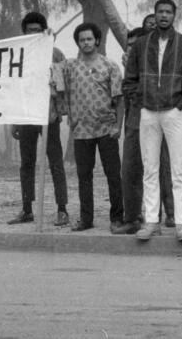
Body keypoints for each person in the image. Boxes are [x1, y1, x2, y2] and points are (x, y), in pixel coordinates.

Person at [92, 0, 175, 232]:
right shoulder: (134, 50)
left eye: (158, 21)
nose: (153, 26)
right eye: (148, 24)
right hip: (135, 119)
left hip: (162, 116)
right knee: (132, 169)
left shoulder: (170, 49)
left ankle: (168, 214)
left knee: (162, 168)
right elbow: (117, 26)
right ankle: (134, 218)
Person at [123, 0, 182, 242]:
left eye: (168, 12)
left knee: (178, 169)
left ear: (174, 16)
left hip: (173, 112)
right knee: (150, 169)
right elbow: (129, 81)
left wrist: (180, 105)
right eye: (160, 12)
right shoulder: (141, 45)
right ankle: (151, 222)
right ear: (154, 15)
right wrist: (142, 99)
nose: (164, 16)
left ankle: (181, 223)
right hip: (147, 111)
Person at [58, 22, 125, 232]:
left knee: (113, 175)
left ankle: (117, 218)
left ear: (97, 40)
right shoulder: (70, 67)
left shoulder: (110, 66)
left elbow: (119, 99)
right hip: (81, 131)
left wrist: (118, 126)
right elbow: (50, 69)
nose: (86, 43)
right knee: (84, 177)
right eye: (82, 40)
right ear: (77, 43)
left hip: (106, 129)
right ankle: (86, 219)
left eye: (89, 39)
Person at [7, 12, 70, 226]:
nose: (33, 34)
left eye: (37, 30)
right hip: (25, 115)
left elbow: (64, 85)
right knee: (27, 163)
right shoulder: (17, 56)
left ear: (44, 31)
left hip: (49, 115)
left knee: (55, 162)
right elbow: (14, 89)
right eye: (29, 30)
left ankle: (62, 209)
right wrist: (14, 119)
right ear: (24, 32)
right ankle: (27, 209)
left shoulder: (56, 54)